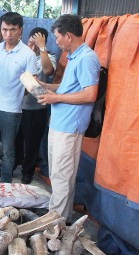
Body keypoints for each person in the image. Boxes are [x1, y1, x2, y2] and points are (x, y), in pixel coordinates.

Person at [37, 14, 100, 222]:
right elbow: (69, 89)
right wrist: (48, 87)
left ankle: (54, 223)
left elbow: (90, 94)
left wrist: (56, 97)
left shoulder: (87, 58)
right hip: (59, 123)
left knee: (62, 177)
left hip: (69, 126)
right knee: (59, 176)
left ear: (69, 35)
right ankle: (59, 219)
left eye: (57, 37)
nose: (56, 42)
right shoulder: (74, 56)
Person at [0, 12, 37, 183]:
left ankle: (5, 184)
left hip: (11, 111)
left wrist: (16, 93)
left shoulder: (28, 54)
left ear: (20, 30)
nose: (8, 34)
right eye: (5, 29)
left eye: (12, 30)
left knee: (7, 151)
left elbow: (31, 86)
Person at [17, 27, 56, 184]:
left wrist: (41, 49)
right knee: (16, 140)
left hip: (36, 108)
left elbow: (47, 71)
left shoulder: (48, 56)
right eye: (32, 38)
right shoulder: (23, 54)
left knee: (32, 143)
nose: (33, 41)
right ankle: (15, 164)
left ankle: (28, 172)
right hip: (18, 106)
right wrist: (29, 52)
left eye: (38, 39)